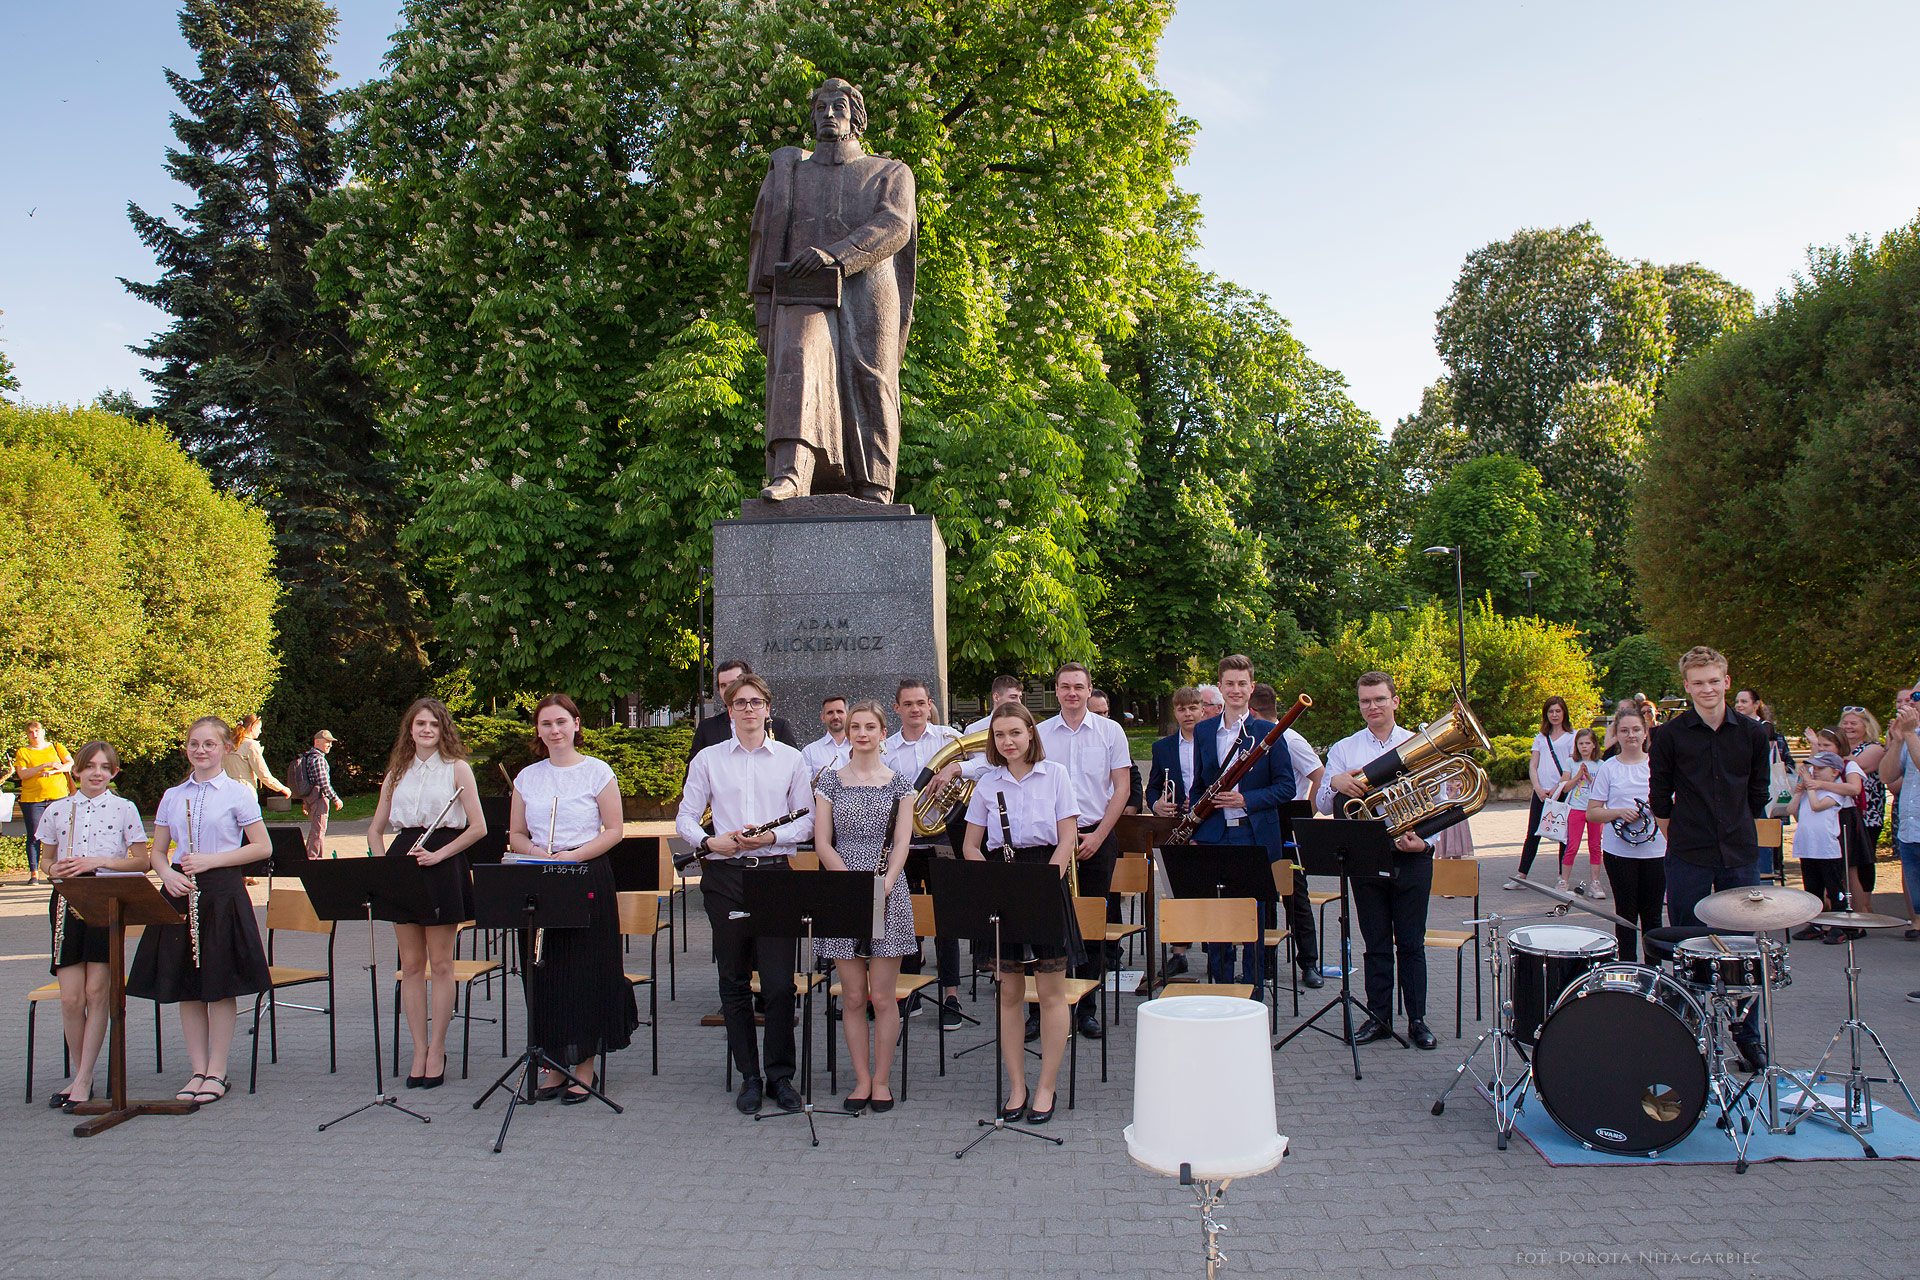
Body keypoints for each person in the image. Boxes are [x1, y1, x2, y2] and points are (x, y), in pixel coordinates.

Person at [748, 77, 916, 503]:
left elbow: (895, 224)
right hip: (804, 290)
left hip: (868, 290)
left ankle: (874, 486)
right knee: (798, 362)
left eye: (838, 107)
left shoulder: (889, 172)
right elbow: (765, 246)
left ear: (855, 118)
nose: (828, 115)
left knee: (871, 380)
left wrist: (837, 255)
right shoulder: (791, 172)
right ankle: (792, 472)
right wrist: (765, 312)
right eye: (821, 108)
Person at [676, 673, 814, 1115]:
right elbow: (685, 817)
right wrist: (707, 842)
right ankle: (749, 1077)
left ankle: (781, 1077)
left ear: (768, 709)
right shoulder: (708, 760)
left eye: (756, 702)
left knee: (777, 985)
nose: (749, 709)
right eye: (740, 703)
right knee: (733, 982)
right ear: (729, 710)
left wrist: (770, 839)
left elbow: (808, 823)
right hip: (725, 877)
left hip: (774, 873)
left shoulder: (791, 759)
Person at [128, 716, 272, 1106]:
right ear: (187, 748)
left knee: (219, 982)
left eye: (209, 744)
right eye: (194, 743)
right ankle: (197, 1069)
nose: (201, 750)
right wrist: (166, 876)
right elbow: (157, 851)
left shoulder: (239, 793)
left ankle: (218, 1070)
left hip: (221, 889)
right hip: (179, 888)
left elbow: (262, 847)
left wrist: (211, 861)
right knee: (187, 984)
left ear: (225, 748)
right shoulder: (173, 795)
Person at [508, 694, 639, 1103]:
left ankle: (584, 1067)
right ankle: (553, 1065)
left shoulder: (597, 771)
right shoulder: (527, 777)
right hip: (539, 877)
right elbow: (514, 835)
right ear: (538, 730)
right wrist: (537, 854)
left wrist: (572, 855)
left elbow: (614, 830)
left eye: (561, 722)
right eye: (546, 724)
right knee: (544, 971)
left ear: (577, 725)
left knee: (586, 971)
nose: (554, 730)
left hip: (584, 873)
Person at [1648, 646, 1773, 1071]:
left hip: (1739, 852)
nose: (1706, 689)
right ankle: (1687, 1027)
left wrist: (1737, 825)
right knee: (1688, 943)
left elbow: (1759, 792)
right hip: (1688, 854)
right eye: (1697, 683)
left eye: (1713, 681)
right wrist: (1680, 835)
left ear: (1727, 682)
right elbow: (1659, 798)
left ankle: (1746, 1034)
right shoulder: (1668, 735)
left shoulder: (1755, 734)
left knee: (1744, 948)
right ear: (1686, 686)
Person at [960, 702, 1081, 1124]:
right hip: (1003, 883)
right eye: (999, 735)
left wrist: (1046, 881)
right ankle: (1017, 1086)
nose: (1007, 741)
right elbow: (970, 846)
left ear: (1031, 732)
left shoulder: (1057, 776)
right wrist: (992, 883)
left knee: (1050, 993)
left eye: (1014, 732)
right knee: (1008, 994)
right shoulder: (987, 785)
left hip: (1045, 878)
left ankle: (1046, 1086)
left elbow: (1068, 837)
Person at [366, 699, 488, 1088]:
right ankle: (417, 1049)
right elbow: (375, 828)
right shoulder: (396, 772)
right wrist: (385, 864)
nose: (426, 730)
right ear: (410, 729)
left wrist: (439, 855)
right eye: (419, 724)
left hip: (443, 860)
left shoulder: (458, 769)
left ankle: (437, 1048)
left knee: (441, 965)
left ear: (443, 730)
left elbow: (478, 827)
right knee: (411, 966)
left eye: (433, 725)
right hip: (404, 862)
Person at [1318, 671, 1438, 1051]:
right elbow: (1322, 804)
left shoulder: (1419, 744)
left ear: (1395, 701)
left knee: (1412, 943)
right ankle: (1379, 1017)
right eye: (1365, 701)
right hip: (1366, 854)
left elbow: (1440, 799)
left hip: (1412, 853)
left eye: (1379, 699)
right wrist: (1333, 782)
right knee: (1376, 943)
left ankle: (1417, 1020)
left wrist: (1426, 842)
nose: (1372, 707)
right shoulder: (1344, 749)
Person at [813, 700, 916, 1112]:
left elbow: (903, 842)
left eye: (869, 726)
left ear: (882, 732)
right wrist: (852, 886)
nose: (861, 733)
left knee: (883, 997)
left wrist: (883, 885)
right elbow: (823, 841)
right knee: (853, 996)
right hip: (843, 890)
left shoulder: (900, 782)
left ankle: (882, 1080)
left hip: (888, 891)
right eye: (855, 726)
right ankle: (859, 1079)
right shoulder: (830, 781)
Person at [37, 741, 149, 1109]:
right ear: (78, 771)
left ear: (114, 773)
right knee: (71, 998)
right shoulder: (57, 809)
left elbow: (141, 862)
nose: (97, 773)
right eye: (91, 767)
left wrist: (96, 861)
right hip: (66, 903)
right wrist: (55, 870)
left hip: (106, 901)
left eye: (106, 767)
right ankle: (78, 1073)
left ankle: (84, 1078)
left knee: (97, 992)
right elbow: (45, 861)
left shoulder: (123, 809)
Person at [1186, 658, 1302, 991]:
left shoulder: (1270, 731)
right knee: (1219, 918)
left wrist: (1245, 800)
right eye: (1229, 684)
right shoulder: (1205, 730)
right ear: (1220, 687)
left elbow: (1286, 787)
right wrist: (1195, 824)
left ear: (1251, 688)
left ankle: (1251, 992)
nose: (1236, 690)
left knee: (1253, 916)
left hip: (1254, 835)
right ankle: (1222, 989)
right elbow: (1198, 784)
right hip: (1215, 836)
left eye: (1242, 684)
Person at [1036, 662, 1130, 1041]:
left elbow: (1121, 790)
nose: (1072, 693)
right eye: (1064, 687)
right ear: (1055, 691)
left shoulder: (1111, 731)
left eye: (1079, 686)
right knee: (1046, 926)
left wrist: (1097, 836)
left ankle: (1086, 1009)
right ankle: (1040, 1010)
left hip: (1096, 838)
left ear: (1090, 690)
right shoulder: (1039, 734)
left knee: (1091, 927)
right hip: (1050, 840)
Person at [882, 678, 963, 1021]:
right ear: (897, 708)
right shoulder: (885, 748)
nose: (916, 709)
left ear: (930, 703)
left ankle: (951, 996)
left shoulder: (949, 740)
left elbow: (987, 766)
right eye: (908, 704)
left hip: (940, 837)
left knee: (946, 918)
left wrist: (957, 767)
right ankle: (910, 990)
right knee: (906, 916)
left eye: (921, 703)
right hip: (903, 842)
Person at [1251, 681, 1327, 980]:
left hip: (1287, 822)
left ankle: (1308, 962)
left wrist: (1305, 817)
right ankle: (1265, 962)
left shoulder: (1291, 739)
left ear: (1253, 710)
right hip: (1261, 820)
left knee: (1295, 894)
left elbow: (1320, 777)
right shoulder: (1252, 737)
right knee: (1263, 892)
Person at [1586, 707, 1664, 959]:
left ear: (1645, 733)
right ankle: (1627, 969)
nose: (1630, 735)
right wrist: (1619, 812)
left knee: (1652, 915)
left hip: (1656, 851)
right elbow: (1593, 812)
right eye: (1624, 730)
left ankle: (1654, 973)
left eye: (1636, 730)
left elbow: (1674, 806)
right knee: (1625, 913)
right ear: (1617, 735)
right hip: (1619, 853)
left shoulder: (1658, 765)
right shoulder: (1609, 767)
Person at [1145, 686, 1206, 980]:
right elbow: (1153, 786)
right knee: (1178, 890)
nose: (1188, 713)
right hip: (1178, 826)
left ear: (1203, 709)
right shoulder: (1163, 747)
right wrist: (1156, 804)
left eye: (1193, 707)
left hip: (1210, 823)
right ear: (1175, 712)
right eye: (1182, 709)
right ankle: (1178, 953)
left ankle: (1216, 947)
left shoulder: (1214, 742)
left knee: (1210, 889)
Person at [1803, 726, 1869, 933]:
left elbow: (1853, 789)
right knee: (1821, 870)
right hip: (1822, 819)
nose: (1822, 749)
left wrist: (1821, 785)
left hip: (1844, 818)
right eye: (1819, 745)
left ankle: (1856, 919)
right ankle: (1821, 919)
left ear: (1839, 746)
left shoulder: (1849, 765)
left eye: (1826, 745)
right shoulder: (1819, 767)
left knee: (1848, 869)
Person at [1510, 697, 1574, 887]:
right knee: (1533, 833)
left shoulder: (1572, 736)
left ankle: (1563, 876)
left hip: (1562, 792)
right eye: (1551, 711)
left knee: (1563, 835)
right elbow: (1533, 765)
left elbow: (1570, 766)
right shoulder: (1541, 738)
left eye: (1558, 711)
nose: (1554, 715)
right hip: (1541, 793)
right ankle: (1521, 875)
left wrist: (1557, 788)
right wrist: (1537, 787)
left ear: (1564, 713)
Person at [684, 659, 801, 762]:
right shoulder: (707, 728)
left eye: (734, 683)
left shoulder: (779, 727)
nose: (729, 689)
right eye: (723, 685)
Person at [1878, 684, 1920, 949]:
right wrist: (1897, 742)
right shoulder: (1911, 735)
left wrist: (1908, 735)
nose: (1911, 703)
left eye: (1916, 697)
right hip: (1911, 833)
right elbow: (1887, 776)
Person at [1788, 752, 1848, 938]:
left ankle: (1840, 923)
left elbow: (1817, 806)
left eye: (1821, 769)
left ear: (1835, 773)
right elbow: (1791, 810)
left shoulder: (1835, 790)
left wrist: (1810, 785)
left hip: (1826, 848)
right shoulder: (1808, 790)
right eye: (1813, 768)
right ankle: (1815, 924)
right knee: (1812, 888)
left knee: (1834, 887)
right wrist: (1799, 792)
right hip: (1807, 846)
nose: (1815, 772)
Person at [13, 720, 73, 886]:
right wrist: (43, 766)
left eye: (37, 731)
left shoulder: (56, 746)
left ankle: (59, 870)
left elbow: (70, 764)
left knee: (61, 834)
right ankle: (34, 873)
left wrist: (55, 769)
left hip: (58, 796)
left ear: (43, 731)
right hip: (33, 799)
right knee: (34, 835)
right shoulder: (23, 752)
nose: (35, 735)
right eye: (31, 732)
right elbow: (23, 774)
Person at [1840, 706, 1886, 906]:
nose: (1848, 727)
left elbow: (1857, 766)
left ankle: (1865, 906)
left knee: (1863, 861)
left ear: (1866, 726)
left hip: (1868, 815)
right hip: (1845, 813)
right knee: (1847, 861)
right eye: (1845, 723)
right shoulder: (1842, 751)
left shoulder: (1874, 748)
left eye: (1853, 723)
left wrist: (1827, 752)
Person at [1557, 729, 1604, 896]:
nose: (1584, 747)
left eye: (1587, 743)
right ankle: (1564, 880)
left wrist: (1590, 778)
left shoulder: (1600, 764)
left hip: (1595, 810)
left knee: (1595, 846)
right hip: (1576, 809)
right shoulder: (1571, 762)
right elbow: (1564, 787)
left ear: (1594, 745)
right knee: (1572, 846)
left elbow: (1602, 789)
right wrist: (1578, 776)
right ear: (1576, 745)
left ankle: (1595, 883)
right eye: (1581, 743)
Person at [222, 714, 292, 803]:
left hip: (226, 792)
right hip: (244, 792)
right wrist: (281, 788)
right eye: (259, 728)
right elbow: (264, 774)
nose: (260, 732)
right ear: (252, 727)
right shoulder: (251, 745)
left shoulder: (228, 745)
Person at [296, 729, 343, 857]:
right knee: (319, 831)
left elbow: (305, 781)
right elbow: (323, 782)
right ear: (317, 742)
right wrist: (335, 798)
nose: (330, 745)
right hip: (319, 799)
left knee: (315, 830)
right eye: (327, 742)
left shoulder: (307, 757)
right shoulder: (318, 759)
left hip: (310, 798)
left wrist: (305, 802)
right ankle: (313, 858)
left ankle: (308, 856)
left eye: (331, 742)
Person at [801, 695, 853, 783]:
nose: (835, 716)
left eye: (839, 712)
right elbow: (804, 788)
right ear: (823, 718)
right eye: (830, 713)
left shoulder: (861, 747)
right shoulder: (809, 752)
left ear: (848, 715)